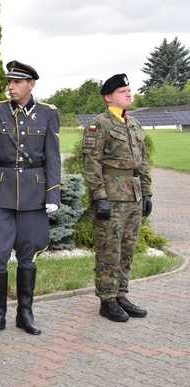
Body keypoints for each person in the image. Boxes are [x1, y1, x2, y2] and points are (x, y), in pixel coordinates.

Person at [0, 60, 61, 337]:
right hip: (0, 195)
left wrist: (53, 192)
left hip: (35, 195)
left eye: (16, 82)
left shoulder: (48, 114)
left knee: (29, 256)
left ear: (31, 84)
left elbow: (53, 156)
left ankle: (25, 314)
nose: (10, 87)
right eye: (9, 82)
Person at [82, 73, 151, 322]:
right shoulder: (99, 124)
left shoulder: (133, 124)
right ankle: (107, 300)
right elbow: (91, 162)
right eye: (123, 92)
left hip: (132, 195)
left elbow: (142, 162)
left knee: (127, 248)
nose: (129, 94)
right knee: (109, 249)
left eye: (129, 91)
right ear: (108, 97)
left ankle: (121, 294)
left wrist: (147, 192)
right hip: (111, 197)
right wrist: (99, 196)